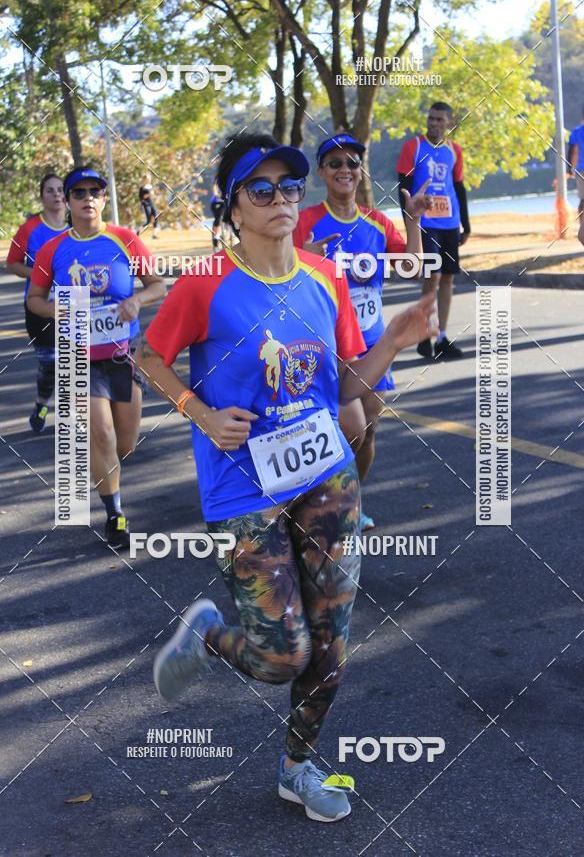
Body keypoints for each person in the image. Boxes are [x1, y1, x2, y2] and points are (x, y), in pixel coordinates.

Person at [134, 132, 438, 823]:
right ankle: (210, 632)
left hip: (326, 476)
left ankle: (297, 766)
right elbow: (146, 355)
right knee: (281, 657)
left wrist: (393, 339)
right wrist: (200, 413)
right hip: (244, 487)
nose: (281, 198)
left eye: (289, 187)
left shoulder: (322, 275)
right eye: (261, 189)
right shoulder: (207, 281)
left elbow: (343, 389)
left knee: (330, 650)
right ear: (233, 206)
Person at [293, 132, 432, 531]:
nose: (344, 170)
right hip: (321, 346)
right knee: (335, 428)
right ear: (321, 172)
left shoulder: (376, 221)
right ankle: (313, 504)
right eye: (334, 163)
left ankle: (350, 503)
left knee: (366, 431)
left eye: (352, 163)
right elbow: (276, 279)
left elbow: (412, 267)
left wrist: (413, 222)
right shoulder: (304, 221)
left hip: (371, 344)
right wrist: (306, 258)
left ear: (360, 171)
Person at [27, 166, 166, 547]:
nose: (87, 198)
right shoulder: (52, 249)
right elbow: (34, 299)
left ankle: (102, 473)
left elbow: (157, 285)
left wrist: (137, 300)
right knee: (100, 432)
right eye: (79, 192)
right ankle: (115, 515)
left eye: (95, 191)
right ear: (69, 202)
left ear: (104, 199)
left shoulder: (125, 240)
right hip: (77, 357)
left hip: (121, 355)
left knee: (125, 444)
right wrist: (59, 310)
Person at [397, 101, 470, 360]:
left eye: (440, 119)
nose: (434, 123)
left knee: (448, 278)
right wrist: (409, 223)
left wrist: (466, 224)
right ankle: (425, 333)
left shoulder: (454, 150)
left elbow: (459, 188)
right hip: (426, 224)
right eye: (431, 118)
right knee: (433, 277)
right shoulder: (413, 147)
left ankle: (442, 337)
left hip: (450, 223)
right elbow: (403, 189)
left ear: (449, 122)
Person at [6, 173, 68, 433]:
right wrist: (40, 275)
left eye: (60, 190)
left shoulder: (79, 226)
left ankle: (72, 416)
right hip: (39, 305)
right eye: (50, 190)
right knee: (51, 364)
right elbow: (12, 263)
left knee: (76, 362)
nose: (56, 195)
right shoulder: (30, 228)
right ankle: (42, 403)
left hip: (72, 304)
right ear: (42, 196)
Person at [567, 107, 584, 218]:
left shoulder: (577, 131)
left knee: (583, 199)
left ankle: (582, 225)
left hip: (581, 170)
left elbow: (573, 152)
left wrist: (570, 169)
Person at [138, 173, 159, 238]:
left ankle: (154, 234)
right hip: (146, 205)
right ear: (145, 179)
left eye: (149, 179)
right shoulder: (142, 188)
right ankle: (138, 231)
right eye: (147, 179)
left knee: (156, 217)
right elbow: (141, 197)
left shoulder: (150, 186)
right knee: (148, 221)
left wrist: (155, 197)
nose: (149, 180)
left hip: (152, 203)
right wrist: (149, 194)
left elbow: (153, 195)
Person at [210, 179, 226, 249]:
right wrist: (216, 194)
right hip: (216, 202)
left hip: (225, 201)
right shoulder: (217, 178)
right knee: (218, 218)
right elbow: (214, 187)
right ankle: (216, 236)